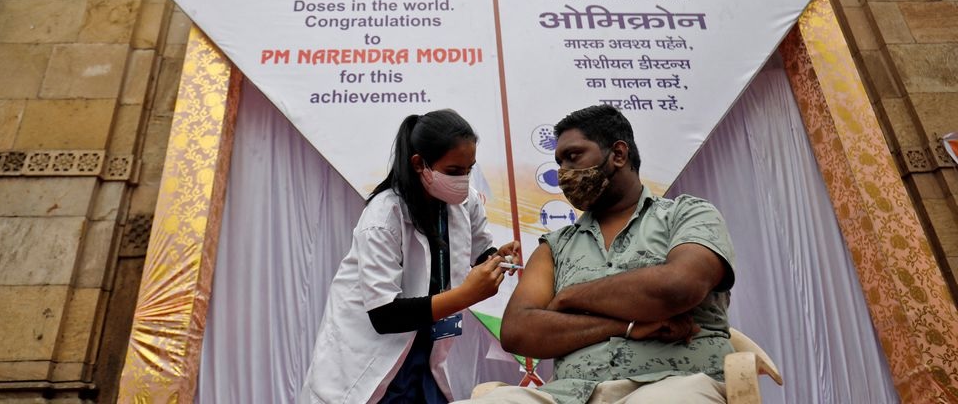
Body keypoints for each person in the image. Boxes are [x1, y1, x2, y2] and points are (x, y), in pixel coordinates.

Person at [463, 104, 735, 404]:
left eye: (574, 156)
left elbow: (678, 287)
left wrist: (569, 298)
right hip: (569, 395)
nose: (563, 172)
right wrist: (629, 327)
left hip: (675, 382)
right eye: (559, 162)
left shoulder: (688, 215)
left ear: (618, 154)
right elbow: (518, 331)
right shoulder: (554, 246)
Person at [298, 109, 520, 404]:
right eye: (454, 171)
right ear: (419, 165)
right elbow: (384, 315)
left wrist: (496, 258)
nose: (464, 180)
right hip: (369, 357)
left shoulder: (464, 203)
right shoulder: (383, 217)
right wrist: (467, 295)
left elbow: (479, 250)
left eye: (470, 169)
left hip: (423, 353)